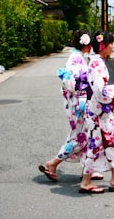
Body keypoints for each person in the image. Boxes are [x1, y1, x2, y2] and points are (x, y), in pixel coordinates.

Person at [38, 29, 101, 182]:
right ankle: (53, 163)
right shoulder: (76, 59)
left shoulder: (77, 57)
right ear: (86, 44)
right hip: (78, 103)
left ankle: (87, 169)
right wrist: (84, 90)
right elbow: (71, 82)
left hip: (76, 101)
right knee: (79, 137)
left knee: (85, 134)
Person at [79, 30, 114, 194]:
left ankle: (113, 179)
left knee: (109, 145)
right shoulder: (97, 64)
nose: (112, 46)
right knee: (103, 146)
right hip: (99, 114)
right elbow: (101, 92)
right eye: (111, 43)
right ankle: (88, 181)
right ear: (103, 45)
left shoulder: (96, 62)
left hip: (98, 113)